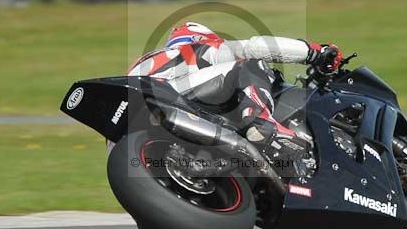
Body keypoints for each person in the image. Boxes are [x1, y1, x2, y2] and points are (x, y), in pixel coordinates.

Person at [128, 22, 342, 150]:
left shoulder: (144, 63)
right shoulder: (193, 50)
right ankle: (261, 122)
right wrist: (314, 53)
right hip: (172, 98)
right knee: (249, 64)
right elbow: (255, 47)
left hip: (136, 133)